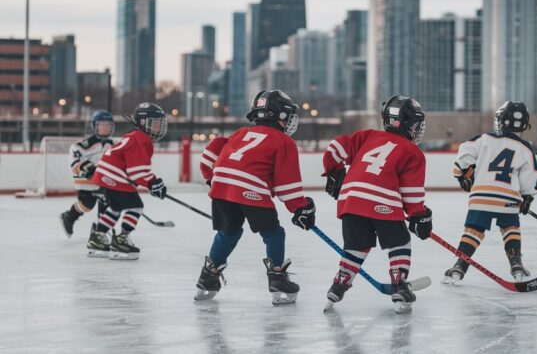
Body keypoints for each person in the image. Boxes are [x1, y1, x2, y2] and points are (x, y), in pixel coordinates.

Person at [194, 90, 315, 304]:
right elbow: (287, 185)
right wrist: (301, 207)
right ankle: (277, 276)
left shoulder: (240, 133)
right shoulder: (283, 141)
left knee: (229, 231)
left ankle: (208, 276)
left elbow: (212, 150)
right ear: (280, 116)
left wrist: (210, 178)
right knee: (274, 234)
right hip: (250, 187)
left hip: (221, 185)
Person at [322, 94, 431, 313]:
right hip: (383, 202)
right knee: (399, 242)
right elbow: (411, 193)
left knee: (356, 246)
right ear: (409, 123)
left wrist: (334, 171)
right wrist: (419, 215)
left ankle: (339, 285)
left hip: (350, 201)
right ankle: (399, 285)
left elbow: (335, 148)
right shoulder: (412, 152)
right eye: (417, 124)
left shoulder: (367, 136)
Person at [444, 101, 537, 284]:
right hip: (508, 197)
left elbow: (463, 157)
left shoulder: (483, 139)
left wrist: (461, 175)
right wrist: (528, 197)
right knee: (510, 228)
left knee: (473, 230)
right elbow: (532, 178)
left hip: (481, 195)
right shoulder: (525, 147)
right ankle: (516, 264)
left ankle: (460, 266)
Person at [89, 103, 168, 259]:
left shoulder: (136, 136)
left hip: (108, 175)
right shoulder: (140, 138)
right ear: (144, 123)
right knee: (136, 207)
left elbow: (137, 169)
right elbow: (137, 172)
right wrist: (153, 183)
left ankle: (97, 237)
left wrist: (152, 183)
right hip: (115, 177)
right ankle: (122, 239)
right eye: (156, 123)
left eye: (160, 124)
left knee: (115, 208)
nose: (159, 128)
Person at [59, 110, 115, 237]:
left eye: (108, 125)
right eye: (102, 124)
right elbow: (75, 164)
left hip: (104, 181)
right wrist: (87, 168)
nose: (106, 127)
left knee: (107, 202)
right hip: (86, 183)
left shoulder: (112, 145)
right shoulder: (83, 145)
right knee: (87, 205)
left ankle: (102, 230)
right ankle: (68, 217)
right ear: (95, 126)